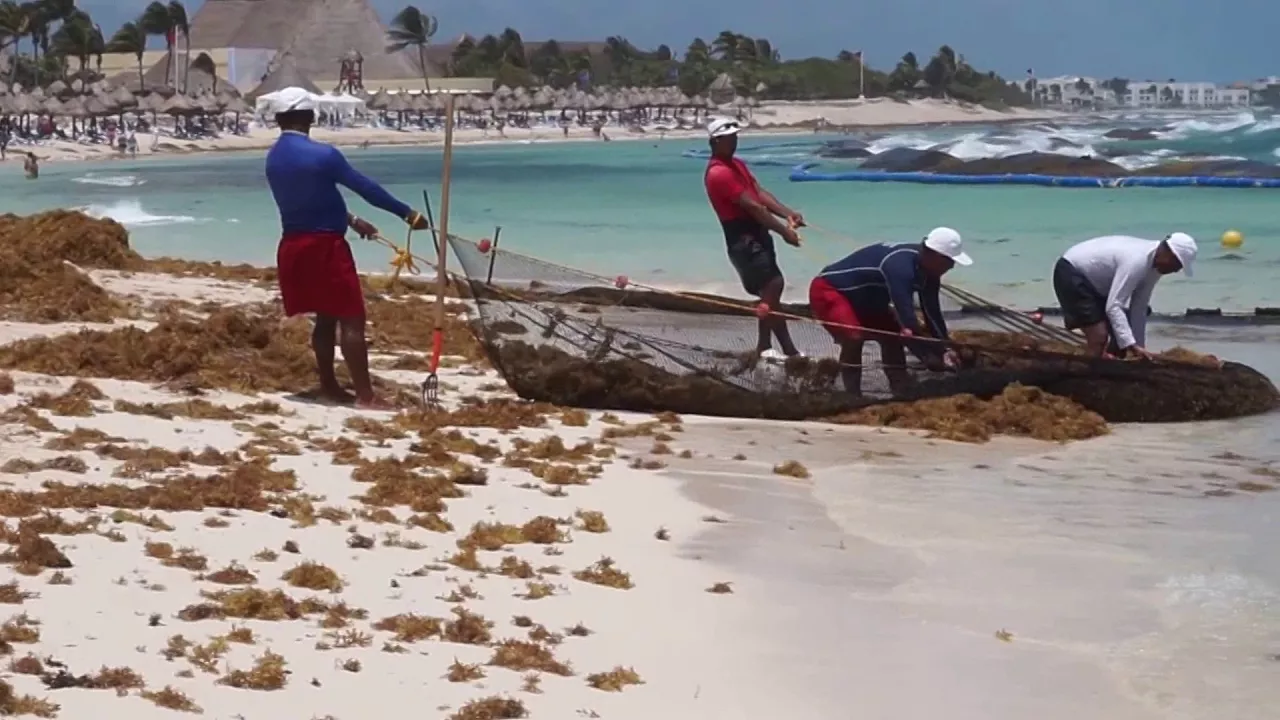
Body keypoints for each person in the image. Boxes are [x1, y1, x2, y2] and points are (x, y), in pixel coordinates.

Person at [264, 86, 430, 410]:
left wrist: (351, 219)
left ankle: (329, 386)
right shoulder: (323, 155)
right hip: (325, 247)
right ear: (310, 115)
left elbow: (309, 199)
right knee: (352, 319)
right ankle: (365, 397)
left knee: (325, 319)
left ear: (279, 118)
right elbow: (365, 187)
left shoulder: (274, 158)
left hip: (293, 246)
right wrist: (407, 213)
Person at [808, 228, 973, 396]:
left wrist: (945, 348)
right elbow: (907, 320)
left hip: (868, 299)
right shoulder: (900, 266)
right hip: (830, 290)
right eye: (949, 260)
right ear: (933, 254)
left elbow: (932, 313)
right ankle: (853, 394)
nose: (952, 266)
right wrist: (927, 356)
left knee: (892, 338)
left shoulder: (930, 273)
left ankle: (900, 389)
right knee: (854, 338)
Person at [703, 117, 805, 360]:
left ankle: (788, 352)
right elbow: (754, 208)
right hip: (742, 237)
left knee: (771, 293)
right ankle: (764, 347)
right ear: (716, 141)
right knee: (774, 284)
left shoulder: (737, 165)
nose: (735, 141)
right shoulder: (718, 173)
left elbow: (759, 194)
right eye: (730, 138)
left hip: (757, 233)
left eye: (736, 136)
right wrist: (784, 232)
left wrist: (788, 213)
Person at [1052, 232, 1197, 359]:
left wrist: (1139, 347)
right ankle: (1085, 377)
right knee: (1099, 337)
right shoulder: (1137, 260)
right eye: (1176, 264)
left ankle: (1106, 370)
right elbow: (1114, 305)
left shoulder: (1155, 268)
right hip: (1072, 272)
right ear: (1167, 252)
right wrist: (1131, 344)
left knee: (1120, 339)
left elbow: (1139, 307)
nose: (1176, 270)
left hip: (1097, 285)